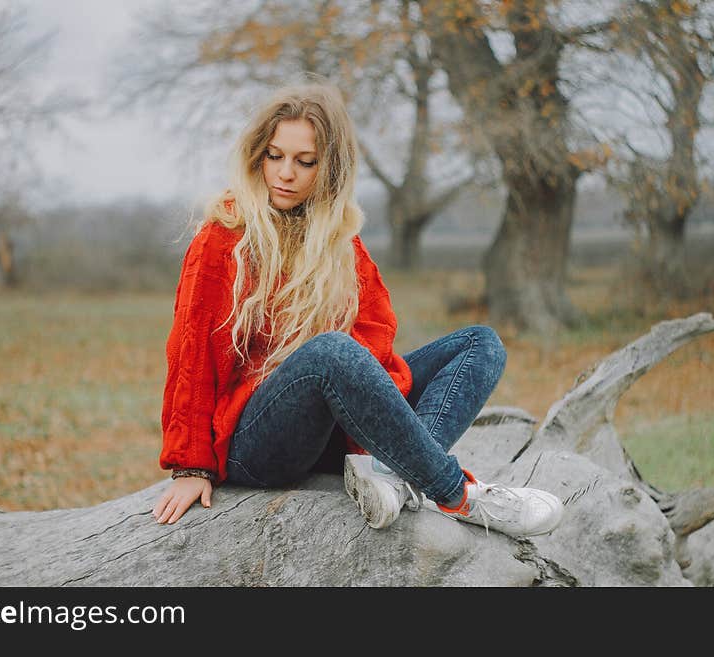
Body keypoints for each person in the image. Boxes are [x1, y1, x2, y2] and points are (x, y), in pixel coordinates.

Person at [151, 80, 563, 537]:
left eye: (304, 162)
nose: (285, 173)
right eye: (275, 156)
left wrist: (374, 422)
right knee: (331, 353)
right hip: (255, 442)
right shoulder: (225, 234)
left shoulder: (342, 244)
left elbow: (375, 341)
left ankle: (392, 478)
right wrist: (191, 466)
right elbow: (192, 354)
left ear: (328, 169)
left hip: (331, 434)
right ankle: (459, 496)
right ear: (257, 156)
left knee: (480, 344)